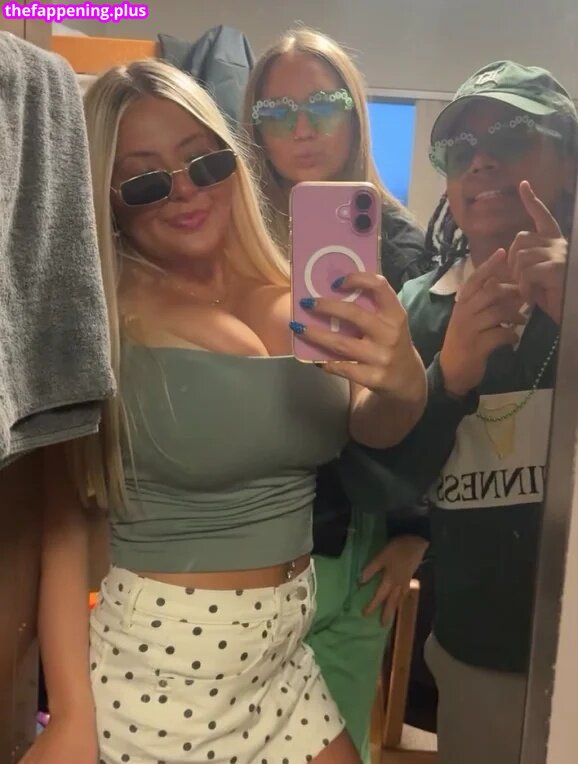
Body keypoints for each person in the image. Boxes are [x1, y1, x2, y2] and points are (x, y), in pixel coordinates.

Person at [23, 59, 427, 764]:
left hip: (283, 662)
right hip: (160, 671)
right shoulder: (103, 322)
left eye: (203, 162)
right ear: (107, 198)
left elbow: (370, 424)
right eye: (145, 181)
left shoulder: (297, 289)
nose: (185, 191)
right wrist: (71, 713)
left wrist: (404, 381)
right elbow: (62, 518)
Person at [244, 27, 430, 761]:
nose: (301, 129)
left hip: (348, 529)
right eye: (276, 111)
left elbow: (433, 396)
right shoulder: (233, 235)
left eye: (323, 105)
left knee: (337, 734)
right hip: (246, 519)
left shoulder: (403, 246)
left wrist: (418, 529)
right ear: (254, 128)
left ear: (355, 114)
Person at [389, 60, 577, 763]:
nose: (481, 160)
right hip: (476, 654)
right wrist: (449, 379)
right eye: (460, 148)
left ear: (569, 160)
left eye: (511, 135)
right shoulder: (416, 309)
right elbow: (392, 481)